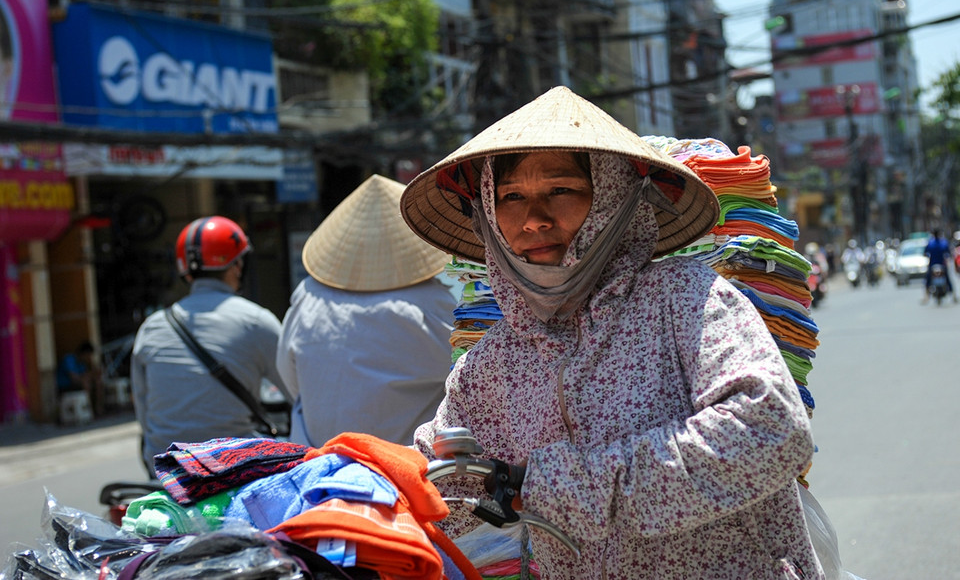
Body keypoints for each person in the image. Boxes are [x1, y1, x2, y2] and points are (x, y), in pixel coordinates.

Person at [400, 87, 821, 579]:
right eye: (511, 197)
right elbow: (445, 487)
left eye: (561, 190)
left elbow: (772, 429)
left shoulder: (685, 299)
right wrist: (362, 484)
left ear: (613, 197)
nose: (533, 220)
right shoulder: (490, 366)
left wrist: (570, 485)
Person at [275, 174, 455, 447]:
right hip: (405, 464)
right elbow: (468, 379)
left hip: (319, 460)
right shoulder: (435, 305)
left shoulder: (308, 296)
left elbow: (290, 376)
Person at [130, 216, 291, 474]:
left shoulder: (152, 327)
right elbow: (299, 395)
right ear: (237, 265)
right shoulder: (256, 321)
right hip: (233, 469)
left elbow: (144, 412)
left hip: (166, 471)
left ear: (186, 271)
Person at [56, 340, 103, 417]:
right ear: (83, 354)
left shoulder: (82, 364)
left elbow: (88, 375)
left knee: (98, 381)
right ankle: (88, 409)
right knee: (86, 383)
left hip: (77, 384)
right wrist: (90, 374)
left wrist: (92, 366)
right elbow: (74, 378)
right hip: (64, 386)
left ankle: (98, 408)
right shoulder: (69, 359)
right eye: (88, 355)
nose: (89, 358)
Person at [922, 228, 956, 303]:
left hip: (933, 265)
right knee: (947, 279)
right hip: (941, 264)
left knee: (928, 280)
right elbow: (948, 253)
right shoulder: (943, 242)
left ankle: (926, 296)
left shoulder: (930, 243)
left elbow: (925, 253)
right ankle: (953, 296)